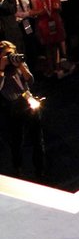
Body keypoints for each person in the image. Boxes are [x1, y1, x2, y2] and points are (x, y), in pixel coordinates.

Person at [0, 40, 45, 178]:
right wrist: (1, 68)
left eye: (12, 53)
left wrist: (20, 66)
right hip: (12, 107)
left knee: (37, 139)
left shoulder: (18, 62)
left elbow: (30, 80)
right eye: (7, 54)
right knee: (17, 141)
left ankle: (40, 170)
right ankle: (17, 169)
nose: (11, 57)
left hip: (28, 101)